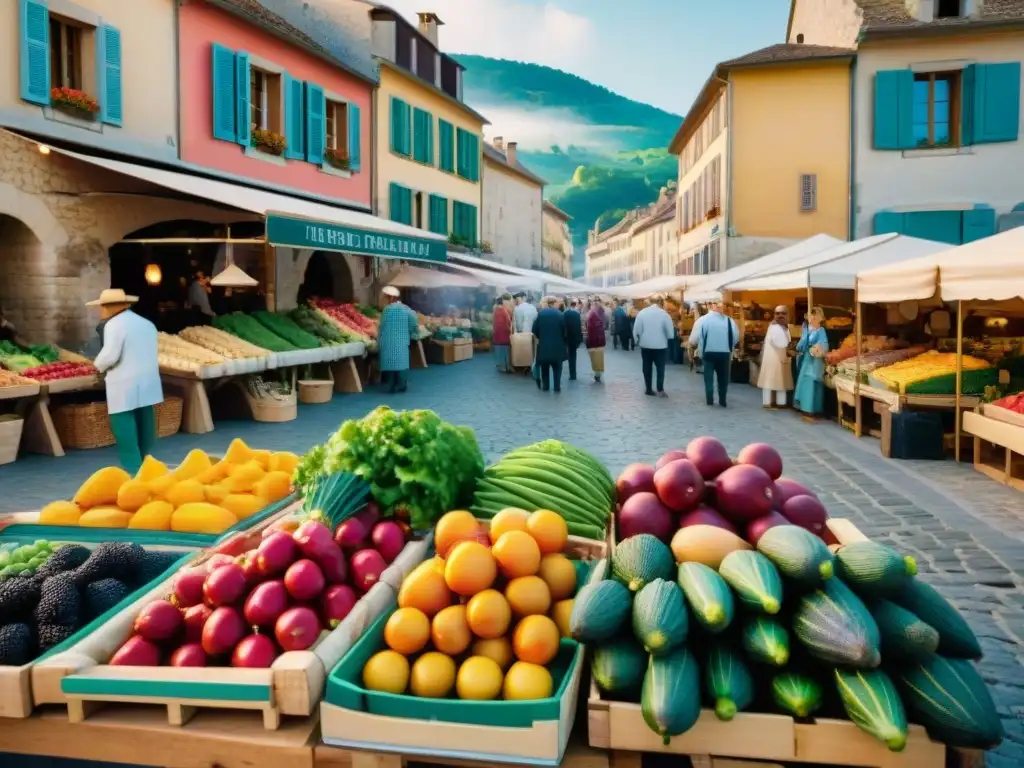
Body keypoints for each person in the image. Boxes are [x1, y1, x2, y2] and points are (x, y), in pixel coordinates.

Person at [88, 289, 163, 474]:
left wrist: (95, 367)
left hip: (124, 380)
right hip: (148, 377)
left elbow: (110, 355)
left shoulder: (114, 325)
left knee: (122, 420)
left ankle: (133, 468)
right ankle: (147, 461)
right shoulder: (147, 323)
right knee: (145, 415)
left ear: (108, 308)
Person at [692, 301, 739, 407]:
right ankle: (722, 400)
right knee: (723, 378)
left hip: (708, 352)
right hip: (724, 353)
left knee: (708, 378)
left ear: (713, 307)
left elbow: (702, 338)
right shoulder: (729, 321)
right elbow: (735, 338)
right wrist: (729, 346)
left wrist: (700, 352)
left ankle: (709, 400)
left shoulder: (705, 321)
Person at [377, 285, 419, 393]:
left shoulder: (386, 310)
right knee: (401, 363)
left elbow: (381, 325)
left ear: (390, 298)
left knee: (390, 363)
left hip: (387, 340)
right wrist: (412, 331)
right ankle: (401, 385)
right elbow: (414, 323)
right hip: (401, 340)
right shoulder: (406, 310)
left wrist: (379, 339)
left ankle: (391, 384)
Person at [633, 295, 674, 397]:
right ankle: (660, 389)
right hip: (660, 346)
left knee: (646, 367)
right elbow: (670, 334)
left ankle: (648, 388)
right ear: (661, 302)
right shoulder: (664, 314)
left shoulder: (642, 313)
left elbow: (637, 330)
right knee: (660, 368)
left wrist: (637, 340)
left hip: (646, 345)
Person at [794, 307, 829, 419]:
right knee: (806, 381)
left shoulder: (821, 330)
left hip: (816, 360)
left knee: (815, 382)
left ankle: (815, 408)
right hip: (807, 359)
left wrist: (818, 348)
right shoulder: (807, 329)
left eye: (815, 317)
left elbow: (824, 344)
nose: (813, 319)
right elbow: (801, 344)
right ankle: (806, 408)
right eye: (812, 317)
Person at [757, 305, 794, 409]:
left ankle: (780, 403)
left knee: (780, 381)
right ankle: (768, 402)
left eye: (783, 313)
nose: (780, 315)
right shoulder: (774, 327)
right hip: (772, 358)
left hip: (780, 357)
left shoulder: (785, 327)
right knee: (770, 381)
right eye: (778, 313)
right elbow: (781, 343)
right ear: (774, 315)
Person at [533, 297, 566, 392]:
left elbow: (534, 330)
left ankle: (546, 386)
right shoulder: (560, 314)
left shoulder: (541, 314)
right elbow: (565, 331)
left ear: (547, 303)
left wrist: (541, 336)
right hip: (557, 347)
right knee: (557, 368)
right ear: (555, 303)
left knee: (544, 368)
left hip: (544, 347)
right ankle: (557, 386)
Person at [585, 297, 607, 382]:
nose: (596, 303)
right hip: (597, 339)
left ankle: (598, 374)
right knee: (597, 358)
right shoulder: (597, 312)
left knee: (597, 358)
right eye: (594, 301)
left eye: (597, 301)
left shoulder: (594, 313)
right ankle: (598, 373)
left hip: (596, 339)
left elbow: (601, 325)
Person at [563, 299, 583, 381]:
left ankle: (572, 374)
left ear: (569, 305)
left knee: (570, 356)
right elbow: (579, 327)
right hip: (575, 338)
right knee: (573, 356)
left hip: (568, 338)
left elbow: (564, 327)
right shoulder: (577, 314)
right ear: (575, 305)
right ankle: (573, 374)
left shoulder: (565, 314)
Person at [491, 296, 513, 373]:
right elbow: (509, 322)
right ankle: (508, 366)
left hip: (497, 334)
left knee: (498, 350)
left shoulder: (495, 312)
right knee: (506, 351)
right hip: (505, 334)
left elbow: (493, 323)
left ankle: (501, 366)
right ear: (502, 303)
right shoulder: (504, 311)